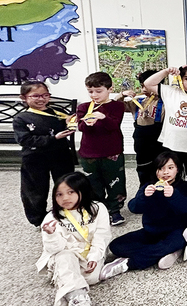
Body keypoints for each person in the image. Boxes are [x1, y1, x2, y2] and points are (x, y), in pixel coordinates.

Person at [102, 152, 187, 277]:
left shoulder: (185, 187)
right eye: (161, 168)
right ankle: (167, 252)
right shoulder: (149, 186)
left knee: (173, 242)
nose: (165, 172)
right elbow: (133, 208)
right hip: (151, 231)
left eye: (170, 168)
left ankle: (129, 263)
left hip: (176, 232)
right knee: (116, 246)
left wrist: (174, 195)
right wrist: (143, 197)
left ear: (178, 169)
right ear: (156, 171)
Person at [36, 173, 111, 306]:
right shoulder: (52, 217)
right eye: (59, 194)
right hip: (65, 254)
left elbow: (102, 236)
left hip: (88, 254)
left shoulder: (98, 209)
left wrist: (94, 257)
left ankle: (68, 280)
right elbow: (54, 249)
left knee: (91, 278)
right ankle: (78, 302)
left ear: (82, 191)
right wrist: (50, 235)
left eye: (71, 192)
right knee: (65, 258)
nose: (65, 198)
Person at [14, 80, 75, 227]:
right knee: (35, 189)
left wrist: (70, 122)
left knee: (65, 184)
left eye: (45, 95)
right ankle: (39, 219)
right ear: (24, 97)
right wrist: (54, 138)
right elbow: (25, 139)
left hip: (60, 154)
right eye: (36, 96)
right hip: (35, 158)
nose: (41, 99)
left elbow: (67, 125)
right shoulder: (21, 118)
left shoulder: (56, 113)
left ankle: (67, 212)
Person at [76, 72, 127, 226]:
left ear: (110, 89)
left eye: (99, 91)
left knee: (115, 182)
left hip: (112, 152)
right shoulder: (84, 107)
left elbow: (114, 125)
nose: (94, 95)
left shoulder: (117, 106)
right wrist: (87, 123)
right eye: (90, 91)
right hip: (89, 153)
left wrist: (103, 118)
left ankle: (115, 210)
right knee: (93, 183)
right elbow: (80, 127)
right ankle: (97, 209)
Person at [145, 65, 187, 187]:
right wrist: (166, 71)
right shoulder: (171, 92)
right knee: (171, 176)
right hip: (171, 144)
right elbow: (148, 84)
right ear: (181, 79)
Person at [121, 70, 165, 186]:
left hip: (159, 140)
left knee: (160, 166)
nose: (144, 90)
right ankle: (144, 188)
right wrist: (121, 95)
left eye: (148, 86)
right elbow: (116, 106)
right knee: (143, 167)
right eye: (142, 86)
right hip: (141, 140)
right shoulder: (137, 101)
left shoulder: (165, 101)